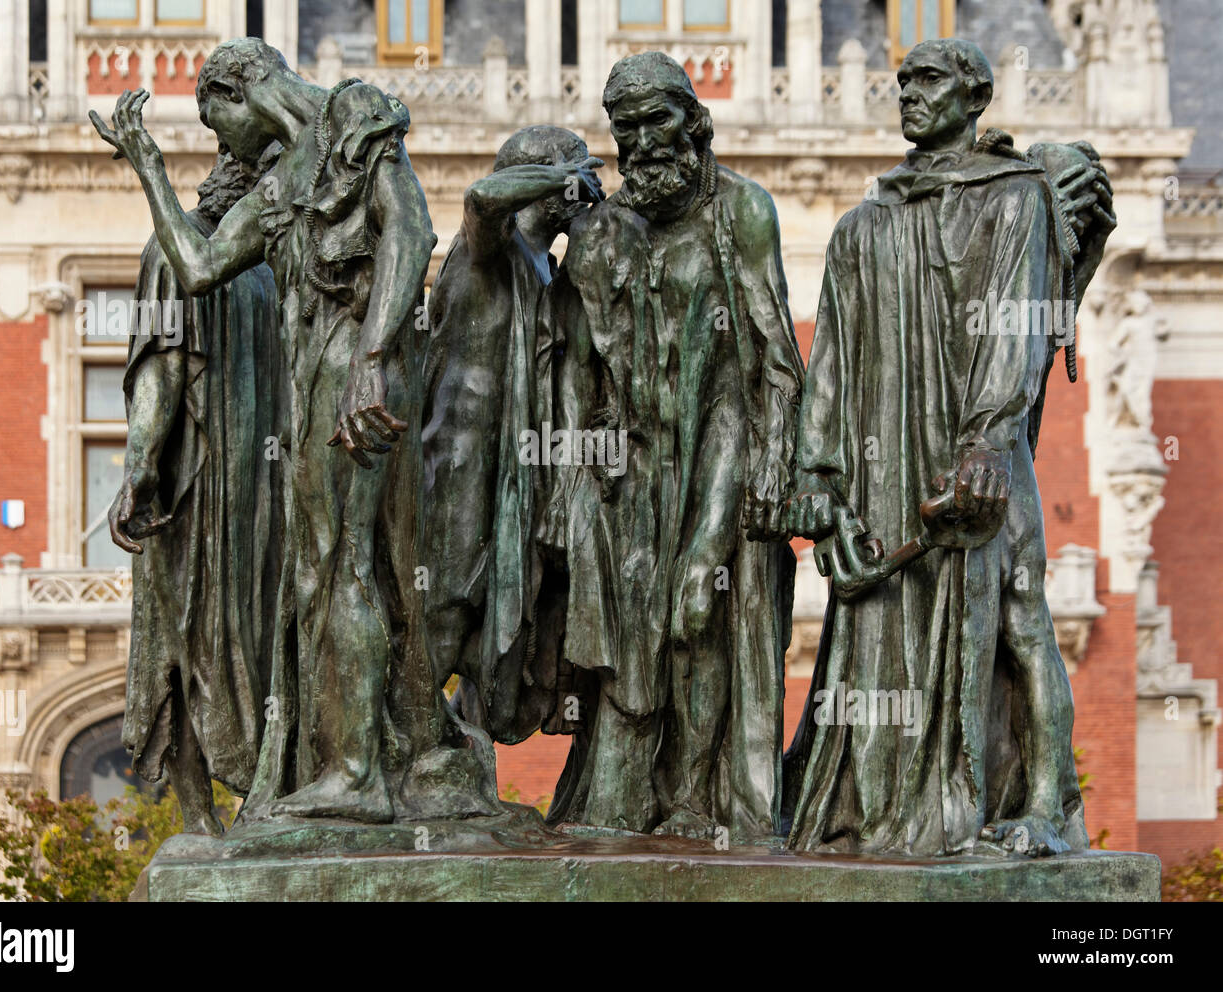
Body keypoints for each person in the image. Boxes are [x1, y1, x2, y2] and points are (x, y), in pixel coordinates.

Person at [92, 38, 500, 824]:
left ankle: (355, 776)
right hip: (327, 377)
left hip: (353, 371)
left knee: (334, 566)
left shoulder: (353, 112)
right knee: (366, 568)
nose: (225, 148)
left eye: (220, 125)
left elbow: (411, 235)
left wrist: (371, 361)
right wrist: (147, 168)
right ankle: (409, 751)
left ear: (241, 91)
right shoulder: (279, 184)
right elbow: (202, 263)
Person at [782, 39, 1096, 857]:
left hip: (980, 459)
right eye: (901, 83)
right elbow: (834, 361)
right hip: (889, 466)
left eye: (927, 82)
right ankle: (883, 804)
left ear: (975, 94)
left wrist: (988, 440)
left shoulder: (1016, 198)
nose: (908, 96)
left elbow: (1020, 322)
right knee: (885, 624)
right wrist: (816, 477)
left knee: (1022, 627)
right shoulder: (863, 224)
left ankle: (1045, 805)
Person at [542, 52, 803, 840]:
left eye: (658, 122)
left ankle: (699, 801)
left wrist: (766, 475)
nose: (644, 144)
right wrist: (569, 476)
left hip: (720, 457)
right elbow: (571, 366)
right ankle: (626, 805)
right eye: (626, 130)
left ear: (695, 123)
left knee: (703, 613)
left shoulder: (742, 214)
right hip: (625, 476)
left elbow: (773, 365)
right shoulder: (598, 237)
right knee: (628, 648)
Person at [110, 145, 282, 834]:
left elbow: (161, 369)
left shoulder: (244, 260)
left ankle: (208, 820)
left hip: (223, 488)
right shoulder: (234, 260)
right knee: (219, 639)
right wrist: (142, 468)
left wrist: (139, 471)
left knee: (182, 637)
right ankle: (214, 817)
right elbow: (162, 369)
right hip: (222, 486)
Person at [421, 126, 603, 745]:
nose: (589, 190)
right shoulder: (488, 246)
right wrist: (563, 175)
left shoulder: (549, 271)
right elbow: (479, 198)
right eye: (578, 173)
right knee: (448, 601)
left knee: (493, 632)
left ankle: (457, 762)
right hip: (461, 461)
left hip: (520, 470)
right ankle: (399, 737)